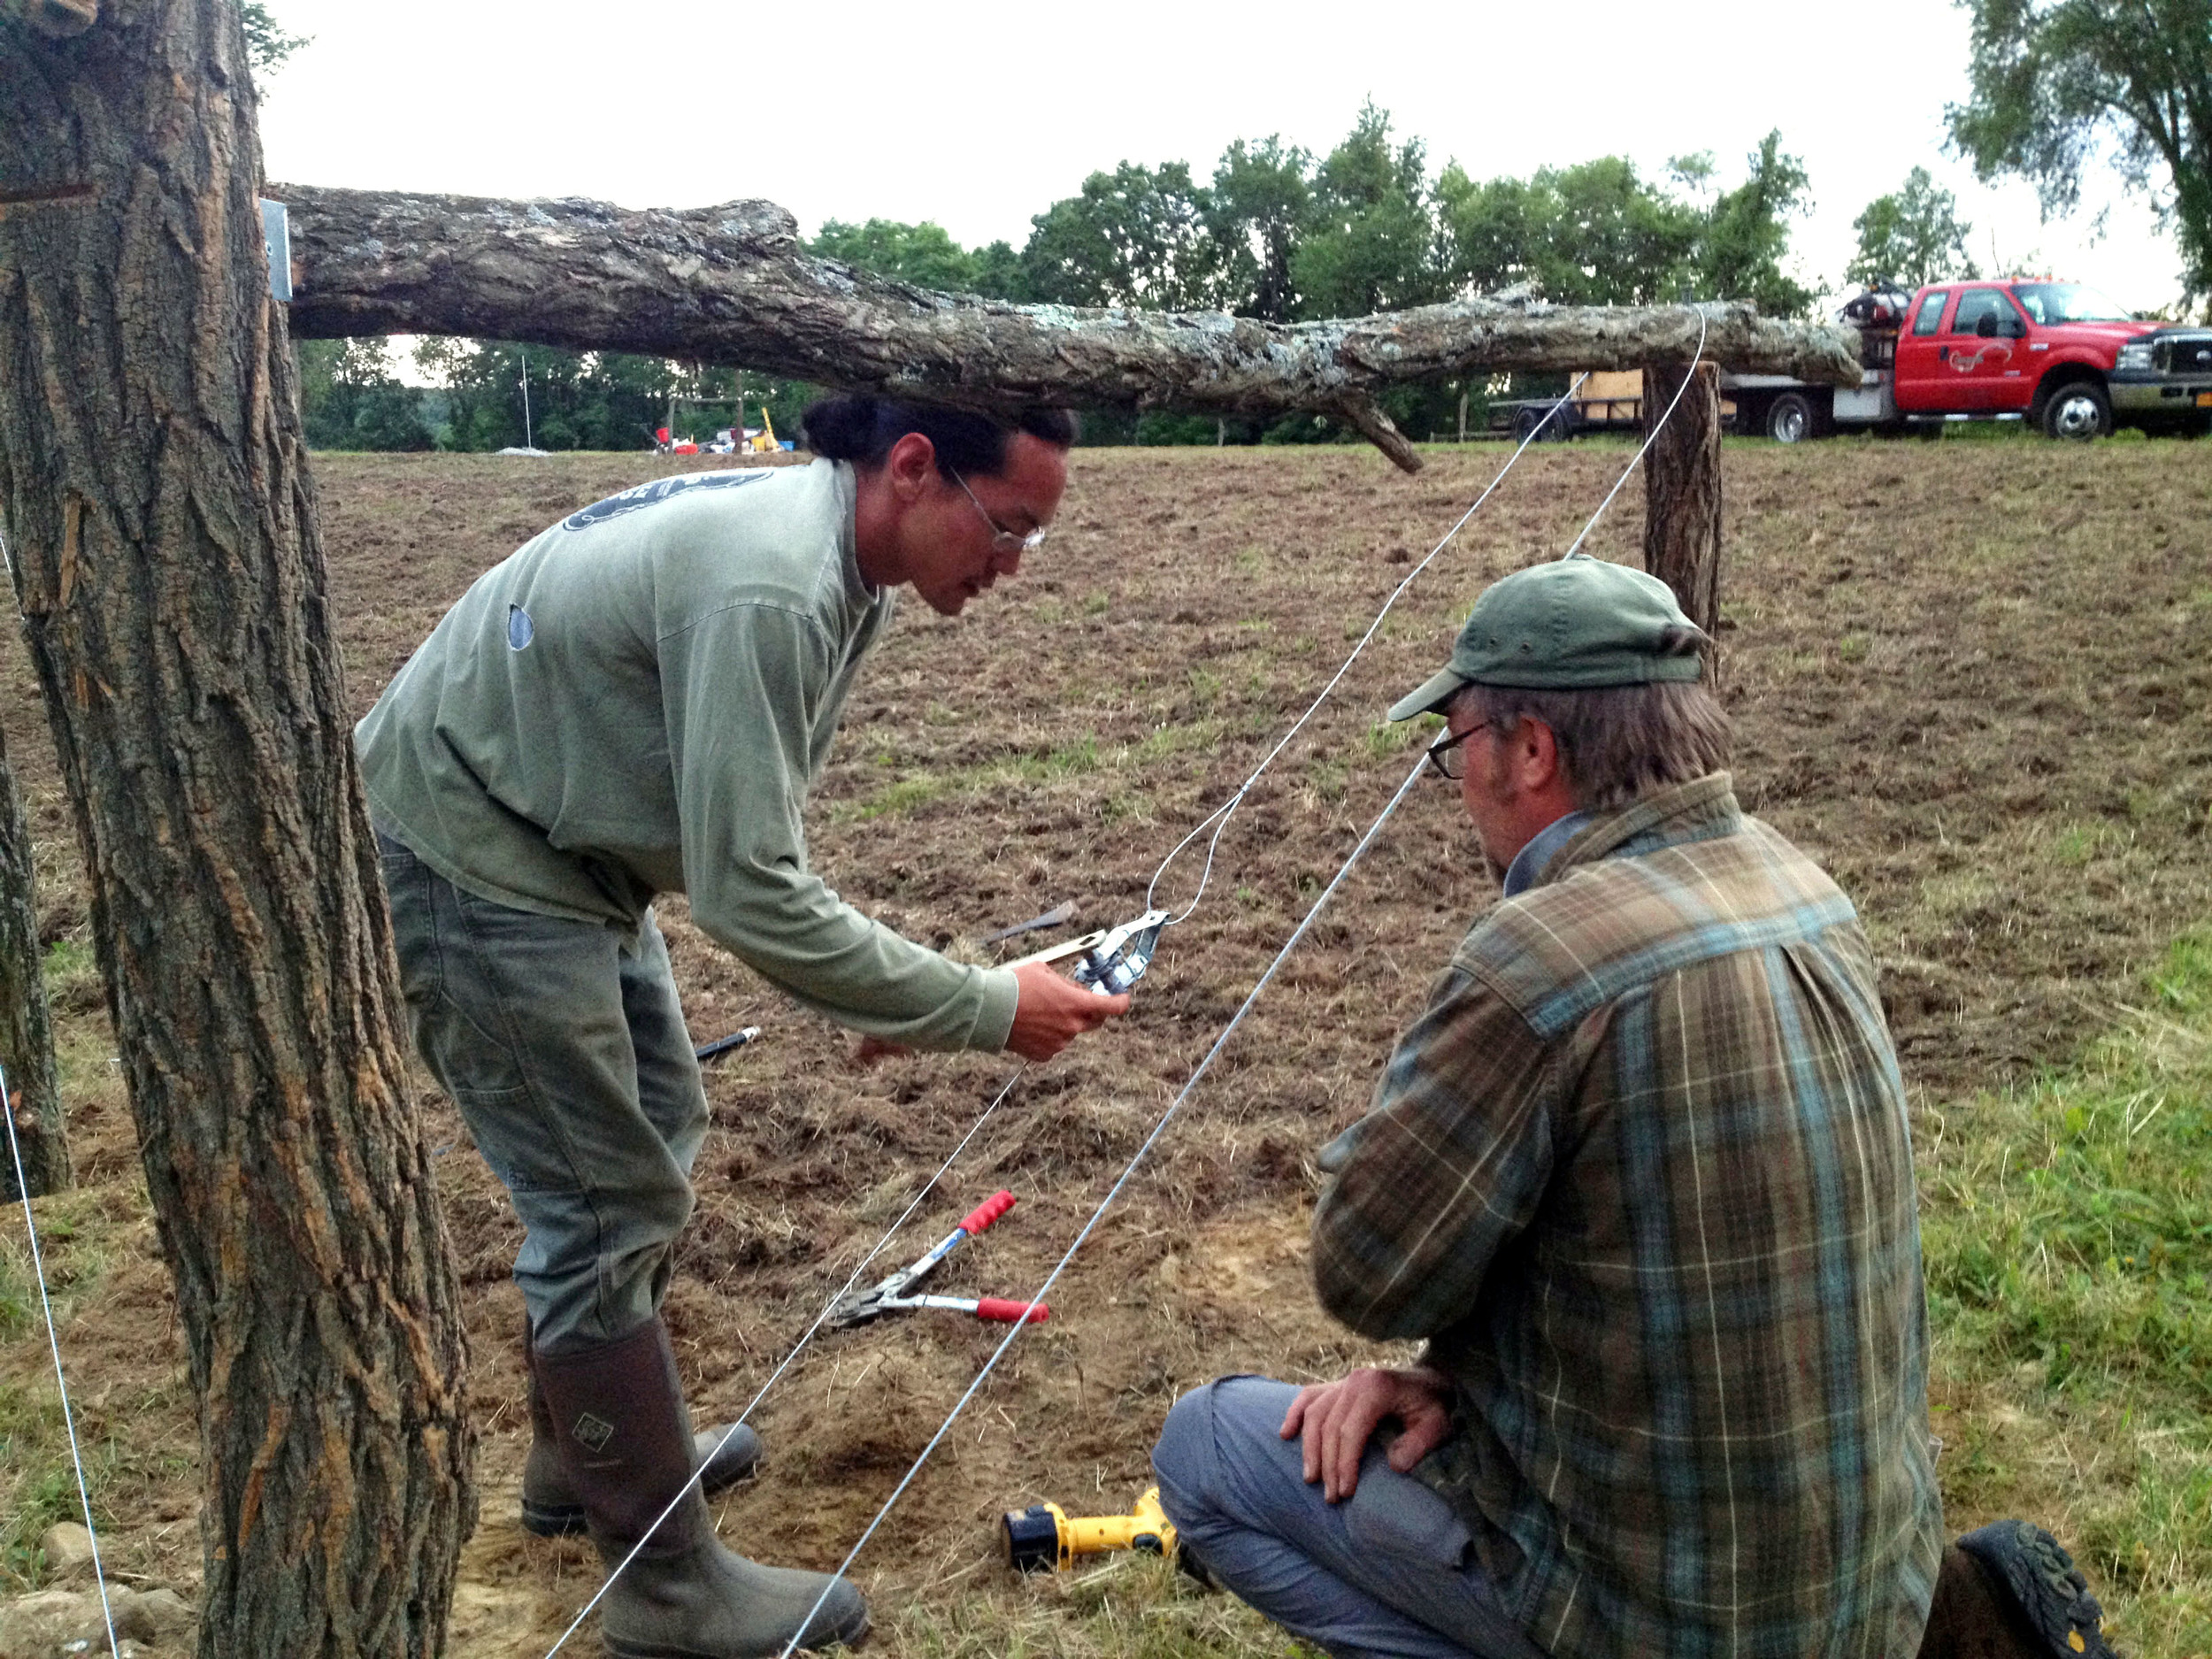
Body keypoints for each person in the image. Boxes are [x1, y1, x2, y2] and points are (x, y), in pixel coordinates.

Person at [1152, 553, 2115, 1659]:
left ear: (1529, 750)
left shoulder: (1542, 957)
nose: (1452, 780)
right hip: (1873, 1591)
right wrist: (1461, 1385)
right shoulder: (1809, 891)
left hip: (1667, 1619)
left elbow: (1365, 1273)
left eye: (1453, 746)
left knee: (1205, 1452)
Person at [358, 396, 1130, 1658]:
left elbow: (748, 839)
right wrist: (981, 1006)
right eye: (1010, 528)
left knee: (662, 1117)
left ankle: (585, 1463)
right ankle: (664, 1586)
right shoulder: (775, 585)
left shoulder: (843, 564)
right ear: (915, 469)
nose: (1011, 566)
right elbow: (749, 887)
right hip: (470, 855)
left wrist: (885, 999)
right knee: (600, 1202)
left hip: (567, 849)